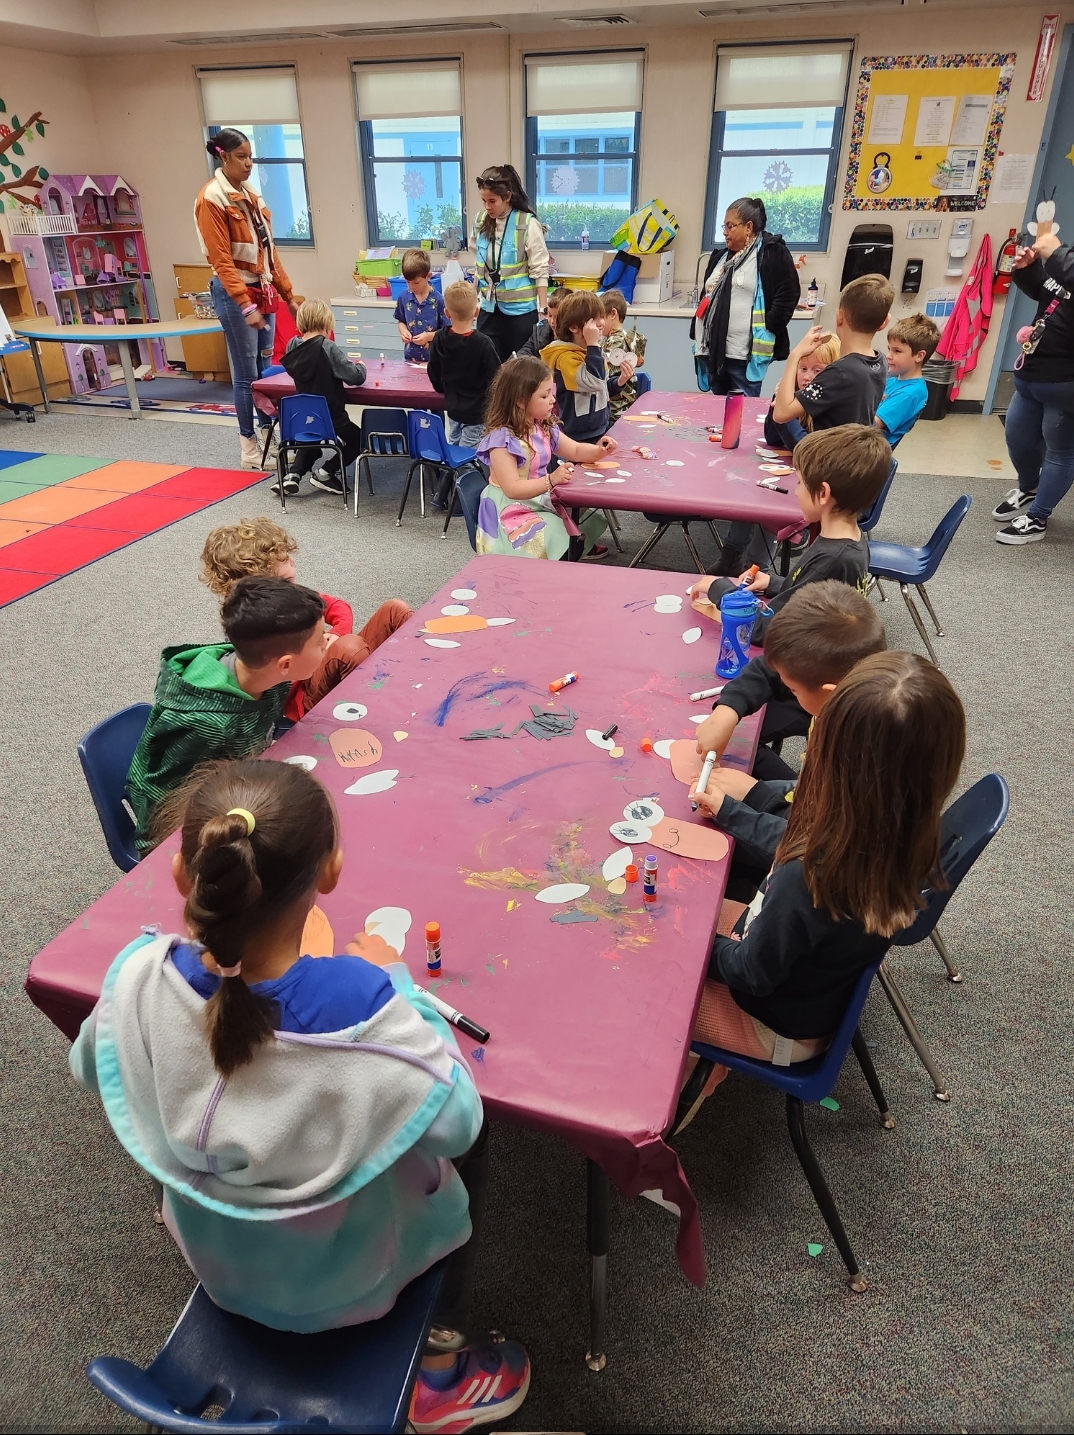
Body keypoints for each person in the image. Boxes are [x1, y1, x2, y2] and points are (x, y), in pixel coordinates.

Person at [70, 758, 532, 1433]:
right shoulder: (367, 1013)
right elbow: (458, 1122)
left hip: (219, 1264)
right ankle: (429, 1367)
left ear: (181, 873)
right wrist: (398, 987)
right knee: (472, 1139)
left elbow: (90, 1064)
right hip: (356, 1285)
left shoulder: (136, 977)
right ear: (331, 872)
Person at [679, 651, 966, 1116]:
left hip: (775, 1024)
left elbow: (751, 975)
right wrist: (732, 813)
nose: (809, 748)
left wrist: (682, 942)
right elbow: (804, 845)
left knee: (635, 977)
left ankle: (679, 1100)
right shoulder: (903, 826)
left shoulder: (809, 875)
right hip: (808, 988)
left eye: (819, 740)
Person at [692, 582, 887, 897]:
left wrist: (733, 811)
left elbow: (813, 848)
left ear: (828, 693)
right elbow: (770, 670)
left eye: (793, 690)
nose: (788, 691)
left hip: (823, 870)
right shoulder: (857, 690)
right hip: (809, 815)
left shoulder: (861, 763)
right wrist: (726, 712)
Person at [126, 577, 326, 853]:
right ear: (286, 664)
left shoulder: (269, 675)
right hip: (189, 834)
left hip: (242, 782)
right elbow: (161, 808)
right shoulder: (206, 725)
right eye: (320, 642)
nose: (326, 644)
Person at [689, 423, 890, 651]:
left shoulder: (833, 559)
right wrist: (773, 583)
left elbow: (767, 631)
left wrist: (721, 588)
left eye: (799, 483)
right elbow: (812, 592)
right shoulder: (849, 538)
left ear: (823, 493)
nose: (796, 491)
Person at [199, 517, 413, 722]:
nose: (292, 561)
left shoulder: (292, 595)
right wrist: (322, 648)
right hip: (300, 697)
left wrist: (334, 634)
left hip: (314, 663)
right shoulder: (252, 625)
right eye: (283, 563)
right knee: (350, 648)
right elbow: (274, 678)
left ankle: (416, 683)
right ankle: (377, 714)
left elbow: (339, 607)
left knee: (395, 610)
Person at [195, 128, 299, 471]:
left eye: (250, 156)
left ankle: (269, 439)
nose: (249, 163)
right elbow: (222, 261)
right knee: (245, 374)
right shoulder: (212, 198)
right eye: (241, 157)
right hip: (234, 291)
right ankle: (249, 447)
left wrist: (288, 294)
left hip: (262, 288)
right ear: (223, 157)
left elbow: (270, 253)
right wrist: (245, 304)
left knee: (265, 371)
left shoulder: (252, 196)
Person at [474, 355, 614, 560]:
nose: (553, 400)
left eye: (552, 393)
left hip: (536, 499)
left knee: (580, 518)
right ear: (520, 401)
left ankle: (564, 562)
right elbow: (512, 489)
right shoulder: (501, 440)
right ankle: (554, 568)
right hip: (509, 509)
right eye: (545, 395)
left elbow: (574, 450)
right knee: (560, 532)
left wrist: (599, 451)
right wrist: (551, 480)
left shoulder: (542, 427)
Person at [994, 229, 1074, 545]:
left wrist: (1055, 253)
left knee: (1061, 450)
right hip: (1032, 373)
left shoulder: (1066, 260)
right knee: (1018, 437)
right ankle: (1029, 487)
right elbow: (1047, 292)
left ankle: (1038, 518)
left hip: (1065, 382)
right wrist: (1029, 270)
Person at [692, 196, 800, 397]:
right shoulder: (720, 257)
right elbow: (707, 296)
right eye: (723, 226)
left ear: (748, 227)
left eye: (730, 226)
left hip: (744, 357)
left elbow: (789, 294)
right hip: (714, 354)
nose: (725, 232)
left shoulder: (772, 252)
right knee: (717, 415)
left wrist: (768, 328)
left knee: (743, 416)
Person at [773, 273, 892, 434]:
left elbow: (781, 414)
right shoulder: (880, 362)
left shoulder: (840, 372)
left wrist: (795, 355)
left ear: (839, 317)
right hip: (858, 454)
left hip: (832, 456)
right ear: (884, 322)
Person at [277, 298, 366, 497]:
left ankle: (293, 475)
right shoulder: (327, 347)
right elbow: (355, 377)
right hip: (331, 417)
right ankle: (326, 472)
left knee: (311, 438)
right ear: (327, 323)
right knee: (361, 439)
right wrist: (362, 366)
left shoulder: (292, 345)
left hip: (303, 417)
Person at [471, 165, 550, 362]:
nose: (487, 206)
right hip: (489, 310)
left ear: (507, 197)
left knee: (521, 372)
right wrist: (472, 300)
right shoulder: (480, 222)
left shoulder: (527, 223)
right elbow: (478, 267)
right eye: (483, 201)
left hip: (521, 313)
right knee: (489, 369)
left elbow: (540, 271)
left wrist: (543, 311)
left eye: (492, 201)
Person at [427, 280, 501, 451]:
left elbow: (434, 371)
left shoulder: (438, 338)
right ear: (476, 311)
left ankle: (452, 476)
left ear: (446, 313)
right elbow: (497, 379)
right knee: (468, 456)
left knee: (454, 446)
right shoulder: (483, 343)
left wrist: (442, 389)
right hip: (477, 413)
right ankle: (460, 477)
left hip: (453, 408)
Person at [539, 290, 610, 444]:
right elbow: (594, 382)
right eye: (594, 320)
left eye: (602, 318)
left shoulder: (591, 350)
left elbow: (603, 384)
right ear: (573, 327)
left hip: (599, 427)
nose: (601, 323)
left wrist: (618, 383)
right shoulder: (565, 357)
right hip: (580, 434)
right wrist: (593, 345)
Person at [762, 332, 840, 453]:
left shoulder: (831, 405)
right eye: (803, 369)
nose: (807, 377)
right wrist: (780, 399)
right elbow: (773, 439)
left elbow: (805, 448)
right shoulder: (797, 393)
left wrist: (784, 411)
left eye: (817, 370)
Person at [875, 313, 940, 448]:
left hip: (869, 454)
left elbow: (873, 425)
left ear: (919, 356)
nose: (888, 356)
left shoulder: (910, 393)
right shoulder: (893, 380)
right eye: (889, 349)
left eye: (897, 351)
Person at [601, 289, 647, 422]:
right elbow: (639, 361)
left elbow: (605, 377)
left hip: (614, 409)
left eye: (601, 317)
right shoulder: (631, 337)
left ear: (613, 313)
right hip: (629, 405)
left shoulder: (614, 342)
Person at [394, 249, 447, 364]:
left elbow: (446, 332)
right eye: (408, 282)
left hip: (434, 361)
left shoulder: (439, 300)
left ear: (428, 276)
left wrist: (428, 336)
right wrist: (403, 332)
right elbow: (401, 321)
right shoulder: (403, 297)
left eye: (416, 283)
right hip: (410, 358)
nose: (412, 286)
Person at [517, 284, 567, 358]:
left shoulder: (575, 338)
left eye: (557, 318)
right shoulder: (540, 330)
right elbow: (525, 351)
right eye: (549, 315)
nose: (552, 321)